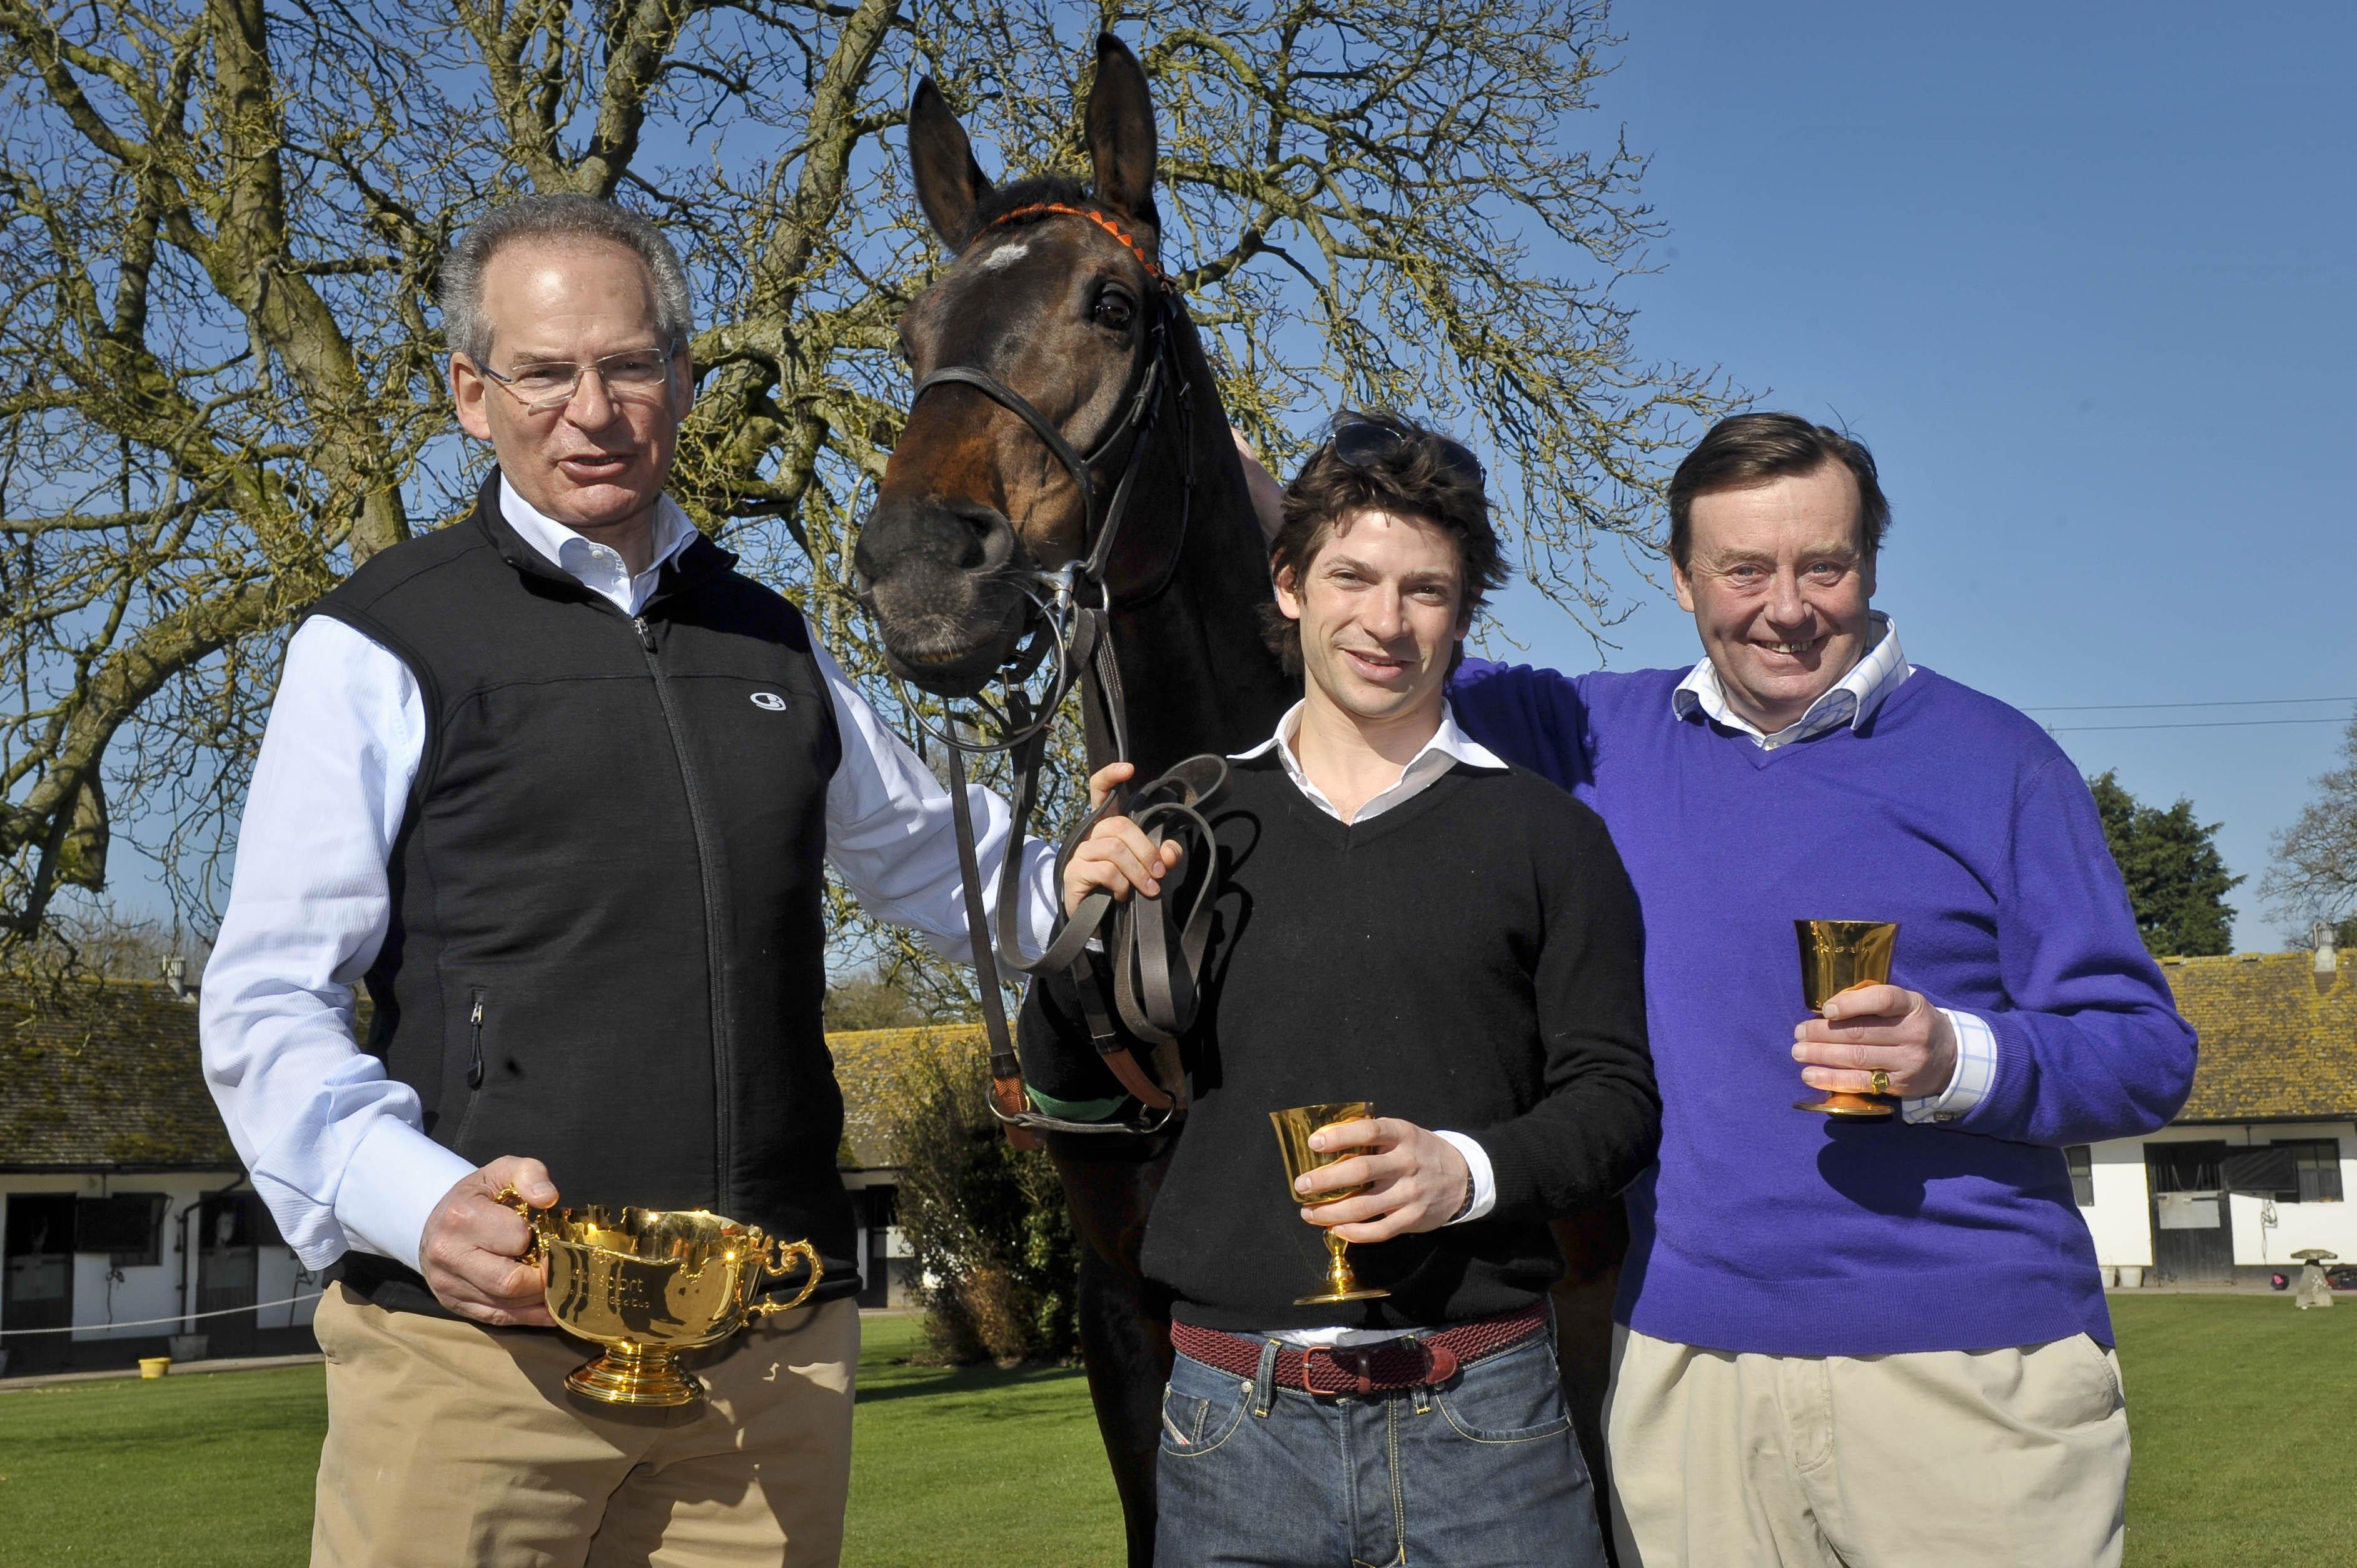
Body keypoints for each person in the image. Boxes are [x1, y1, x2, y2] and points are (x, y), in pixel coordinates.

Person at [199, 193, 1071, 1566]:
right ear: (469, 397)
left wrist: (1118, 880)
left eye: (628, 365)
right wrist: (416, 1199)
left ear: (680, 380)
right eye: (545, 373)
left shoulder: (768, 637)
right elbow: (263, 1004)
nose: (591, 409)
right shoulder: (378, 638)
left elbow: (948, 865)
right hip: (483, 1356)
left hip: (766, 1360)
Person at [1439, 412, 2199, 1567]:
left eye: (1822, 566)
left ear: (1871, 566)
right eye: (1743, 569)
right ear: (1683, 578)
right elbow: (1372, 608)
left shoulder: (2000, 759)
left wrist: (1956, 1059)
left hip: (1971, 1380)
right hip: (1687, 1377)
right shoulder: (1596, 737)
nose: (1785, 607)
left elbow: (2146, 1052)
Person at [1055, 411, 1660, 1568]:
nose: (1386, 622)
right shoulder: (1189, 820)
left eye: (1426, 591)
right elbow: (1081, 1089)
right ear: (1287, 586)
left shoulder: (1550, 837)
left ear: (1464, 613)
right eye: (1352, 577)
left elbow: (1617, 1102)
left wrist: (1466, 1171)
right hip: (1235, 1432)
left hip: (1489, 1423)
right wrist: (1075, 940)